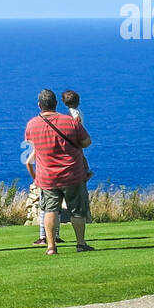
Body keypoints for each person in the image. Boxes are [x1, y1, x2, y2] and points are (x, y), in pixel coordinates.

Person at [24, 89, 94, 255]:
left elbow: (31, 144)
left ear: (39, 105)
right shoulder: (70, 122)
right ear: (56, 104)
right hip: (72, 173)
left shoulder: (32, 124)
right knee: (77, 211)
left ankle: (51, 246)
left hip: (47, 176)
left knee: (50, 210)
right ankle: (80, 243)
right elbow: (87, 142)